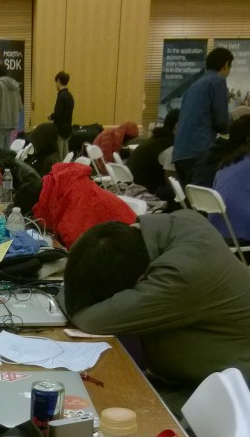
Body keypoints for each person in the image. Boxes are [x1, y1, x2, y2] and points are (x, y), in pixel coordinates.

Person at [62, 211, 250, 409]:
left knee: (111, 409)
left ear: (139, 281)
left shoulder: (179, 276)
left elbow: (93, 320)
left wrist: (71, 296)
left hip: (225, 392)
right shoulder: (174, 224)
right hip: (186, 374)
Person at [172, 46, 233, 187]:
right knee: (203, 205)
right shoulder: (217, 81)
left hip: (180, 153)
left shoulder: (195, 85)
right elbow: (221, 122)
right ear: (226, 65)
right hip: (199, 152)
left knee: (191, 201)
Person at [127, 109, 179, 195]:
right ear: (177, 125)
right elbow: (171, 182)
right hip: (145, 193)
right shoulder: (170, 146)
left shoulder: (155, 139)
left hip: (131, 188)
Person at [0, 65, 23, 152]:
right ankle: (6, 165)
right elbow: (19, 106)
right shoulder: (15, 86)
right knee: (7, 148)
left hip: (0, 122)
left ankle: (0, 165)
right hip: (11, 123)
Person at [49, 71, 74, 160]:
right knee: (66, 156)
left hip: (59, 130)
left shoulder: (61, 96)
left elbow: (58, 114)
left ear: (59, 81)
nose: (56, 85)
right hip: (68, 129)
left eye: (56, 82)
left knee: (59, 156)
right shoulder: (70, 96)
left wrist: (51, 116)